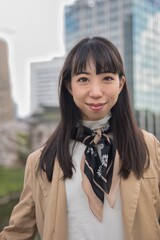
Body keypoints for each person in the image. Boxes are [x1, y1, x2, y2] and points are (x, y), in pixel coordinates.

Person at [0, 36, 160, 240]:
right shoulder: (41, 161)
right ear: (69, 86)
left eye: (107, 78)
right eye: (83, 79)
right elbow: (17, 233)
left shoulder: (148, 147)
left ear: (121, 84)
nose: (96, 92)